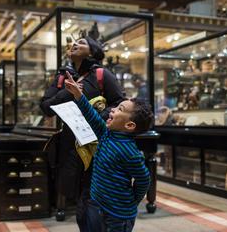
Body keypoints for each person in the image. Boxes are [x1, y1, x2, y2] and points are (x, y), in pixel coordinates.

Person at [40, 33, 125, 222]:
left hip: (96, 142)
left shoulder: (102, 74)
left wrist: (96, 117)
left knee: (94, 192)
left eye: (81, 42)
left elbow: (120, 102)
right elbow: (46, 107)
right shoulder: (63, 76)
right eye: (73, 43)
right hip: (70, 142)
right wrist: (68, 91)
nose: (74, 44)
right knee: (72, 188)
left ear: (92, 51)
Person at [64, 71, 153, 232]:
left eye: (120, 109)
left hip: (118, 216)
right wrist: (78, 94)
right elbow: (92, 116)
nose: (112, 110)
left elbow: (144, 179)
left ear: (129, 125)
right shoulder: (107, 134)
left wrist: (133, 201)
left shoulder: (130, 152)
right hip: (99, 204)